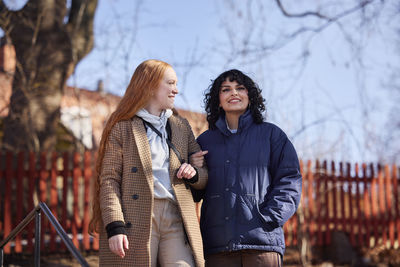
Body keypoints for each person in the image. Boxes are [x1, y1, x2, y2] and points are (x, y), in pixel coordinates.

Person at [89, 59, 207, 267]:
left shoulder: (181, 126)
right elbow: (109, 180)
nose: (176, 90)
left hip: (176, 217)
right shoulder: (122, 128)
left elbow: (203, 175)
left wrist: (194, 172)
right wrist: (115, 226)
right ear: (150, 85)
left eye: (176, 84)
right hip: (136, 218)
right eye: (170, 83)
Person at [190, 69, 302, 266]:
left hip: (262, 244)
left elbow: (289, 180)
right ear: (218, 99)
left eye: (240, 88)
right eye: (226, 89)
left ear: (250, 96)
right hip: (217, 247)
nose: (234, 93)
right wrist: (195, 171)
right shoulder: (204, 141)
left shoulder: (272, 135)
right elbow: (194, 194)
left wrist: (269, 217)